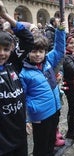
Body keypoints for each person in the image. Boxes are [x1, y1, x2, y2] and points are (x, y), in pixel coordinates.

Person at [19, 22, 66, 155]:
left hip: (54, 109)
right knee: (41, 144)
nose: (38, 55)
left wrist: (61, 31)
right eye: (34, 51)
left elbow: (59, 50)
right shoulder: (23, 72)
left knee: (51, 140)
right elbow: (22, 98)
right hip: (40, 115)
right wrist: (26, 119)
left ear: (45, 52)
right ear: (27, 51)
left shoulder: (48, 61)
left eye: (41, 51)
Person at [0, 0, 34, 156]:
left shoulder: (13, 63)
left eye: (6, 49)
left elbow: (28, 40)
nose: (2, 53)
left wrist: (5, 15)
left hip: (20, 135)